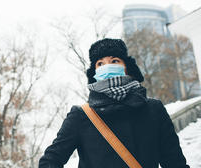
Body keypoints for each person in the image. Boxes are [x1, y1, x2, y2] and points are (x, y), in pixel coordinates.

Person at [39, 38, 190, 168]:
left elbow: (174, 162)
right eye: (100, 64)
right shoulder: (81, 116)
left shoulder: (153, 109)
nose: (107, 66)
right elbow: (50, 161)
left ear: (127, 68)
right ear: (95, 73)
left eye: (114, 61)